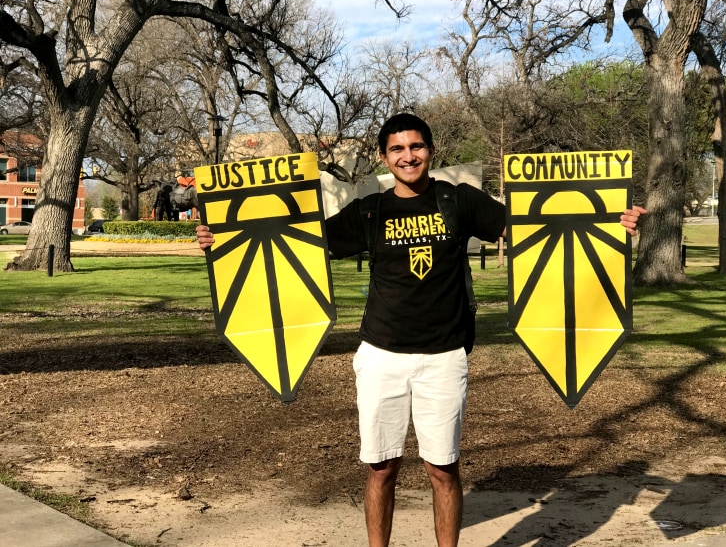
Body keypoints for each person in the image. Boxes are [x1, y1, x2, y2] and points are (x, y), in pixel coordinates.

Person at [196, 113, 645, 546]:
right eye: (397, 149)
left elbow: (533, 225)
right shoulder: (370, 211)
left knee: (443, 469)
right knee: (380, 468)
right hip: (380, 357)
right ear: (383, 157)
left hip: (444, 358)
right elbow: (294, 238)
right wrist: (221, 239)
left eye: (415, 147)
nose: (407, 156)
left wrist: (612, 223)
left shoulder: (460, 200)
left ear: (429, 151)